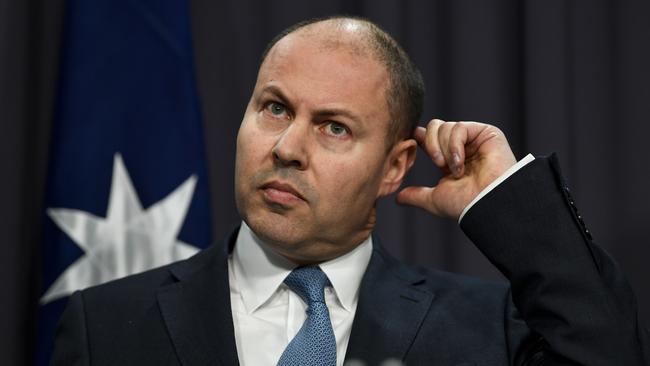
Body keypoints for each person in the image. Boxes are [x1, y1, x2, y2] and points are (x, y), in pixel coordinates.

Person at [52, 16, 649, 366]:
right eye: (275, 108)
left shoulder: (489, 329)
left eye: (334, 127)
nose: (287, 147)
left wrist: (505, 195)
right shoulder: (105, 326)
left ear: (395, 168)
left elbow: (608, 351)